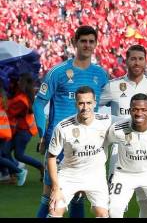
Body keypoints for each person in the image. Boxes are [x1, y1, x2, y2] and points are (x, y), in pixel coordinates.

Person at [33, 25, 109, 218]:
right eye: (83, 41)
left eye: (91, 41)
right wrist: (43, 135)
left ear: (96, 44)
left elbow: (111, 104)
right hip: (58, 143)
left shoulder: (101, 75)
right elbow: (38, 104)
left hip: (85, 144)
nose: (87, 45)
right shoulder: (57, 72)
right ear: (74, 43)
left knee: (79, 196)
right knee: (50, 196)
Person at [99, 44, 147, 218]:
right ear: (126, 61)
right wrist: (110, 122)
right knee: (116, 206)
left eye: (140, 59)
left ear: (146, 62)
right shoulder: (113, 86)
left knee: (146, 201)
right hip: (120, 150)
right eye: (133, 59)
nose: (137, 62)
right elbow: (93, 105)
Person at [47, 86, 111, 218]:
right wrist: (55, 188)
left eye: (88, 103)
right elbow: (51, 156)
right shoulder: (63, 127)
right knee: (54, 210)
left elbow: (130, 121)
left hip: (96, 176)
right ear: (76, 103)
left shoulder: (106, 120)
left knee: (103, 214)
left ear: (95, 103)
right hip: (70, 174)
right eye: (81, 103)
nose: (85, 107)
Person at [104, 93, 147, 218]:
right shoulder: (117, 129)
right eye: (135, 109)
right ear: (130, 111)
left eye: (144, 110)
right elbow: (107, 143)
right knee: (114, 211)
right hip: (124, 174)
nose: (139, 113)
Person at [5, 73, 43, 181]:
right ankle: (14, 173)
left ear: (23, 84)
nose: (17, 82)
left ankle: (38, 167)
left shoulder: (22, 99)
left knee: (18, 155)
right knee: (6, 152)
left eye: (19, 81)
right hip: (24, 130)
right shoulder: (25, 96)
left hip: (24, 131)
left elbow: (10, 112)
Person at [0, 79, 27, 186]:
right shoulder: (3, 97)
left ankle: (19, 170)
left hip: (1, 133)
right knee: (3, 155)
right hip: (3, 133)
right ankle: (16, 168)